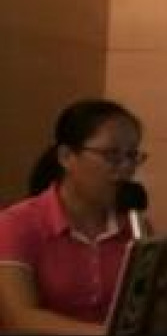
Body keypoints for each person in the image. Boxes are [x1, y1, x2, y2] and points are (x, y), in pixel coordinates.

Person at [0, 99, 147, 335]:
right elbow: (20, 319)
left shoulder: (134, 225)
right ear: (66, 156)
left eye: (132, 155)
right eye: (111, 155)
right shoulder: (16, 224)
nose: (126, 167)